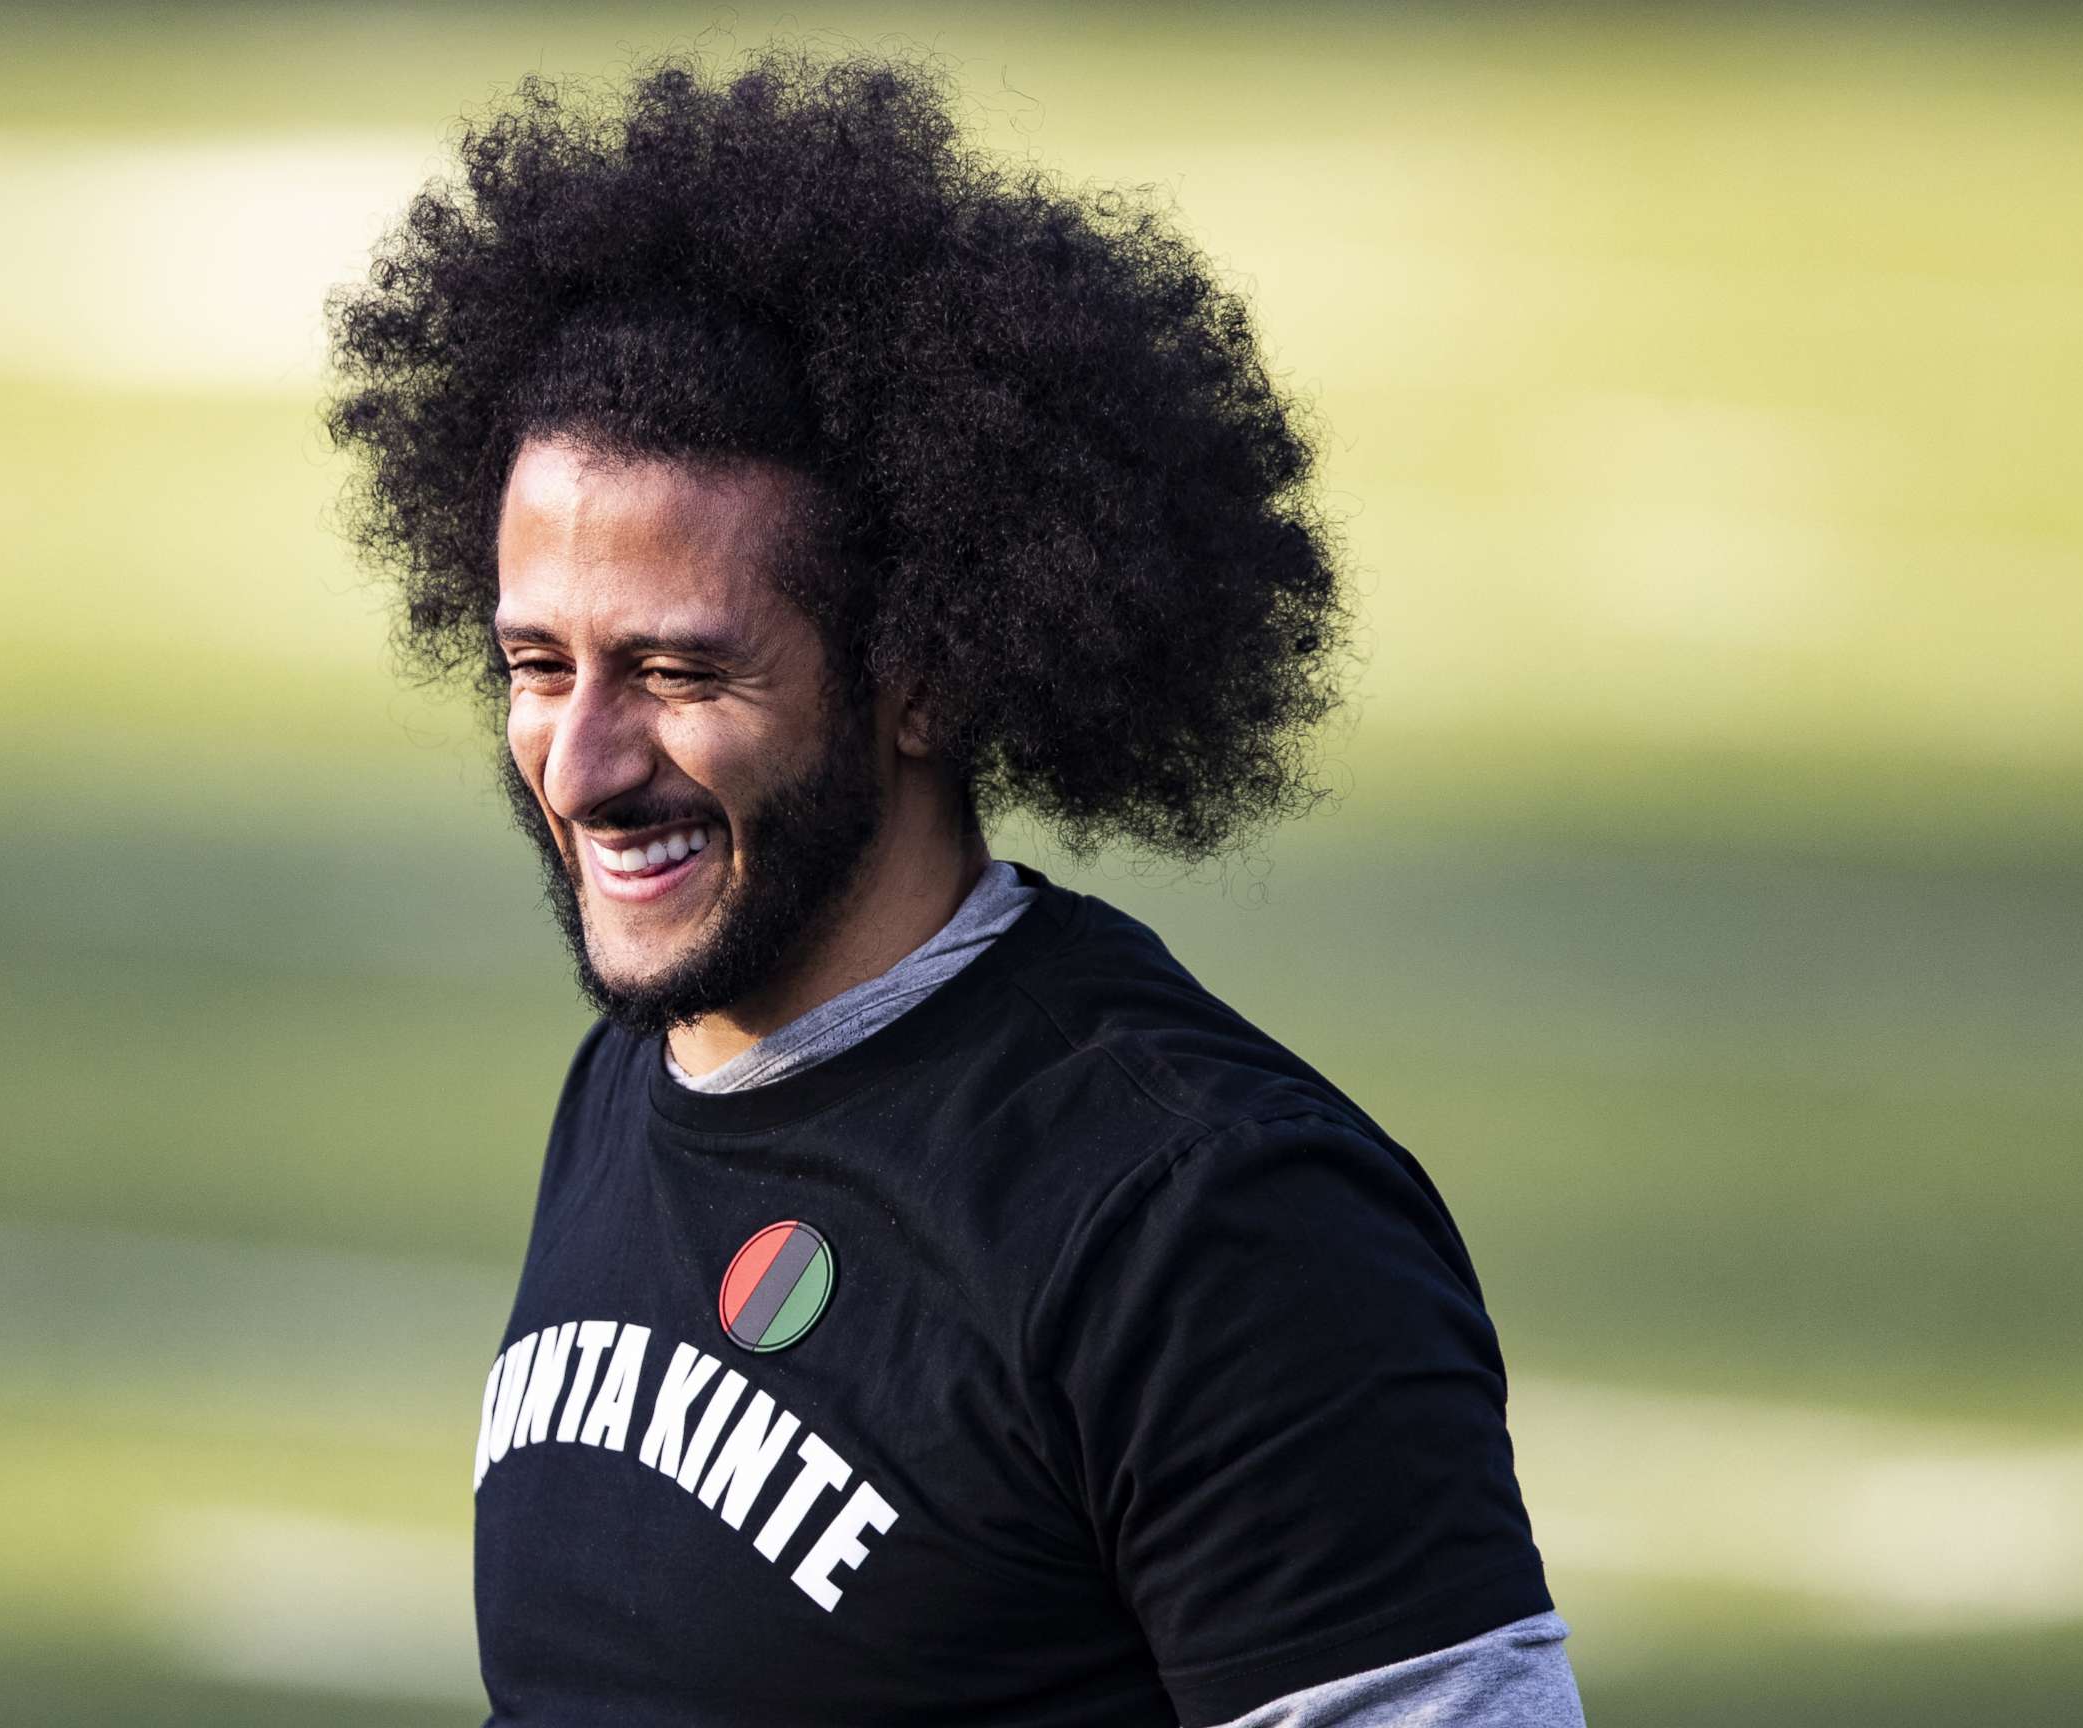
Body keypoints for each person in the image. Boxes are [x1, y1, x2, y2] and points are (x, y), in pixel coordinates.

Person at [325, 44, 1585, 1728]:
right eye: (537, 663)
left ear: (923, 672)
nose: (579, 762)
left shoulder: (1207, 1222)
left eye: (679, 674)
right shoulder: (644, 1069)